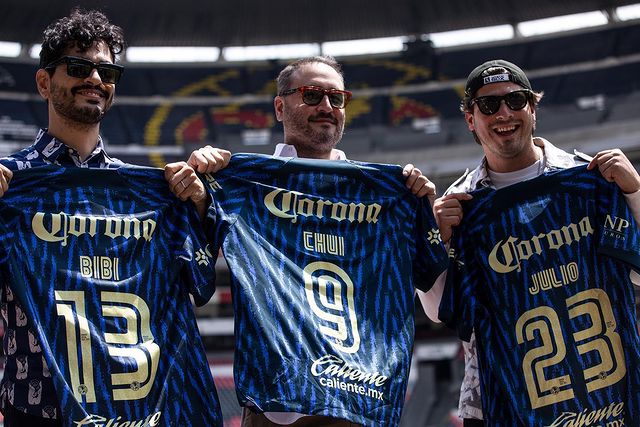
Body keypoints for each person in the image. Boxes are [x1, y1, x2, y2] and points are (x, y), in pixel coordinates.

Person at [189, 56, 443, 427]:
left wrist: (425, 211)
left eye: (336, 98)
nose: (326, 107)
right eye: (312, 95)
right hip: (276, 408)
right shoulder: (242, 184)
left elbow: (437, 302)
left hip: (357, 402)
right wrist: (199, 190)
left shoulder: (386, 193)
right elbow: (192, 281)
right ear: (280, 106)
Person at [0, 9, 214, 426]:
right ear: (44, 82)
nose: (95, 79)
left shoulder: (149, 192)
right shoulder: (10, 183)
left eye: (107, 71)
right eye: (79, 67)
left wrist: (200, 208)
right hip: (38, 408)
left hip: (133, 409)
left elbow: (198, 284)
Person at [419, 59, 640, 426]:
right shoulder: (460, 206)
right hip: (506, 402)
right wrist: (436, 242)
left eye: (516, 100)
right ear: (471, 120)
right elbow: (440, 310)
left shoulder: (590, 179)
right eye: (489, 105)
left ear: (533, 109)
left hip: (611, 395)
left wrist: (634, 194)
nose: (504, 112)